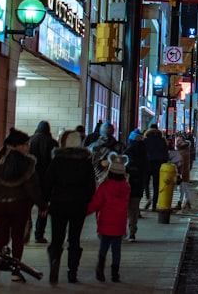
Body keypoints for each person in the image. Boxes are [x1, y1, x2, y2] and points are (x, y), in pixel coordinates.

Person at [0, 128, 46, 283]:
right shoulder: (28, 162)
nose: (27, 147)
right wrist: (42, 205)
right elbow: (32, 187)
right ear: (18, 146)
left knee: (2, 236)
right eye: (25, 144)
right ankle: (16, 271)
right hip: (19, 204)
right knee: (17, 237)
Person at [42, 129, 95, 284]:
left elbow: (47, 182)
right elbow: (91, 185)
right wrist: (87, 200)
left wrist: (45, 202)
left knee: (57, 238)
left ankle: (54, 260)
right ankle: (72, 272)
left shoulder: (57, 161)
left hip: (58, 203)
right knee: (74, 239)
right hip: (78, 205)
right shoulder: (85, 162)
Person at [87, 153, 130, 283]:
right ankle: (115, 274)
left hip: (105, 222)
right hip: (119, 223)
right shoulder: (126, 187)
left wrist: (85, 211)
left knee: (103, 248)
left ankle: (100, 269)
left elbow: (96, 203)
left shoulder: (104, 186)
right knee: (116, 250)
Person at [27, 120, 57, 243]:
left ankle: (26, 228)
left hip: (30, 180)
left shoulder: (29, 140)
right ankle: (39, 234)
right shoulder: (53, 143)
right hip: (46, 181)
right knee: (43, 208)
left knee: (27, 207)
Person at [123, 129, 147, 241]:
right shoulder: (145, 151)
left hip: (126, 184)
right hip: (139, 184)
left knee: (123, 209)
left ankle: (122, 231)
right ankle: (132, 232)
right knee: (134, 209)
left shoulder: (128, 151)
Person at [142, 123, 168, 210]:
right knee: (156, 184)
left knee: (145, 182)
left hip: (147, 163)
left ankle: (148, 197)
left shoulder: (145, 140)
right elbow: (165, 154)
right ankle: (154, 203)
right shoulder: (162, 140)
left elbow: (142, 152)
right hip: (158, 164)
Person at [170, 135, 191, 210]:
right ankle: (185, 201)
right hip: (184, 171)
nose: (177, 142)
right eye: (177, 140)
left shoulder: (183, 150)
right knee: (183, 188)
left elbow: (181, 162)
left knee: (183, 187)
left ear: (183, 141)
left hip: (182, 172)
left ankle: (183, 202)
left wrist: (179, 173)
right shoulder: (183, 149)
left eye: (179, 140)